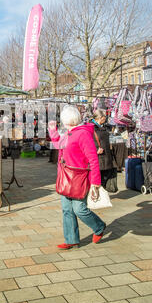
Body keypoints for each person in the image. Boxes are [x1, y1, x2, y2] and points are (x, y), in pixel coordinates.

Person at [48, 105, 106, 250]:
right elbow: (58, 144)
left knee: (79, 209)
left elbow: (93, 159)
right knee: (67, 209)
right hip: (66, 176)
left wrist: (96, 182)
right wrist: (52, 131)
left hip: (79, 177)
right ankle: (71, 239)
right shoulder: (69, 132)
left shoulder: (82, 134)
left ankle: (99, 226)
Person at [92, 109, 114, 188]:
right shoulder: (92, 127)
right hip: (99, 156)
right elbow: (89, 140)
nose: (105, 119)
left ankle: (101, 193)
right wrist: (96, 149)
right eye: (104, 118)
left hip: (105, 155)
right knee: (99, 178)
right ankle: (98, 195)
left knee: (104, 176)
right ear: (99, 118)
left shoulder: (102, 126)